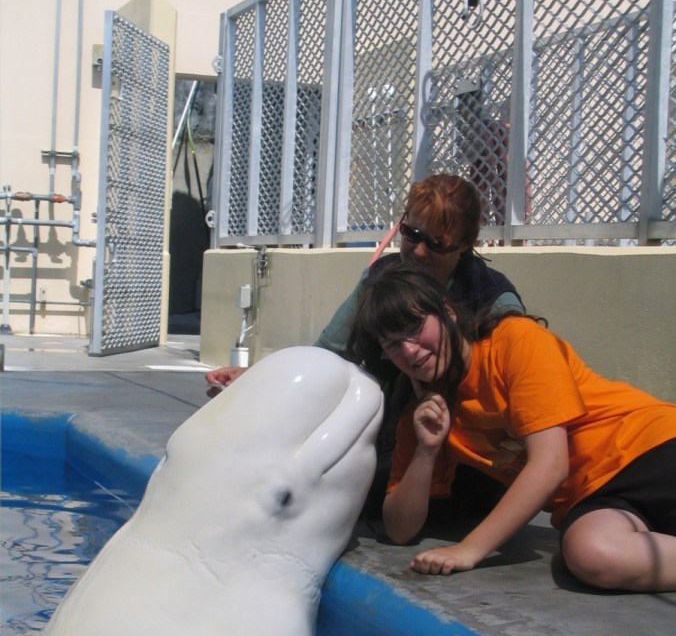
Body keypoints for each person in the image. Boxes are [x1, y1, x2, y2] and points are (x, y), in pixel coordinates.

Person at [346, 264, 676, 592]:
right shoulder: (424, 415)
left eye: (414, 328)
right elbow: (400, 529)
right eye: (391, 344)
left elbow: (551, 464)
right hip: (595, 499)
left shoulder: (515, 342)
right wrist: (426, 452)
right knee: (591, 555)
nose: (408, 350)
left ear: (447, 311)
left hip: (651, 450)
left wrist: (470, 549)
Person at [204, 173, 524, 394]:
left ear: (465, 243)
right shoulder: (381, 277)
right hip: (393, 422)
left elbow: (513, 380)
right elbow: (329, 353)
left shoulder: (492, 300)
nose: (419, 251)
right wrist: (256, 378)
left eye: (436, 244)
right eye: (411, 234)